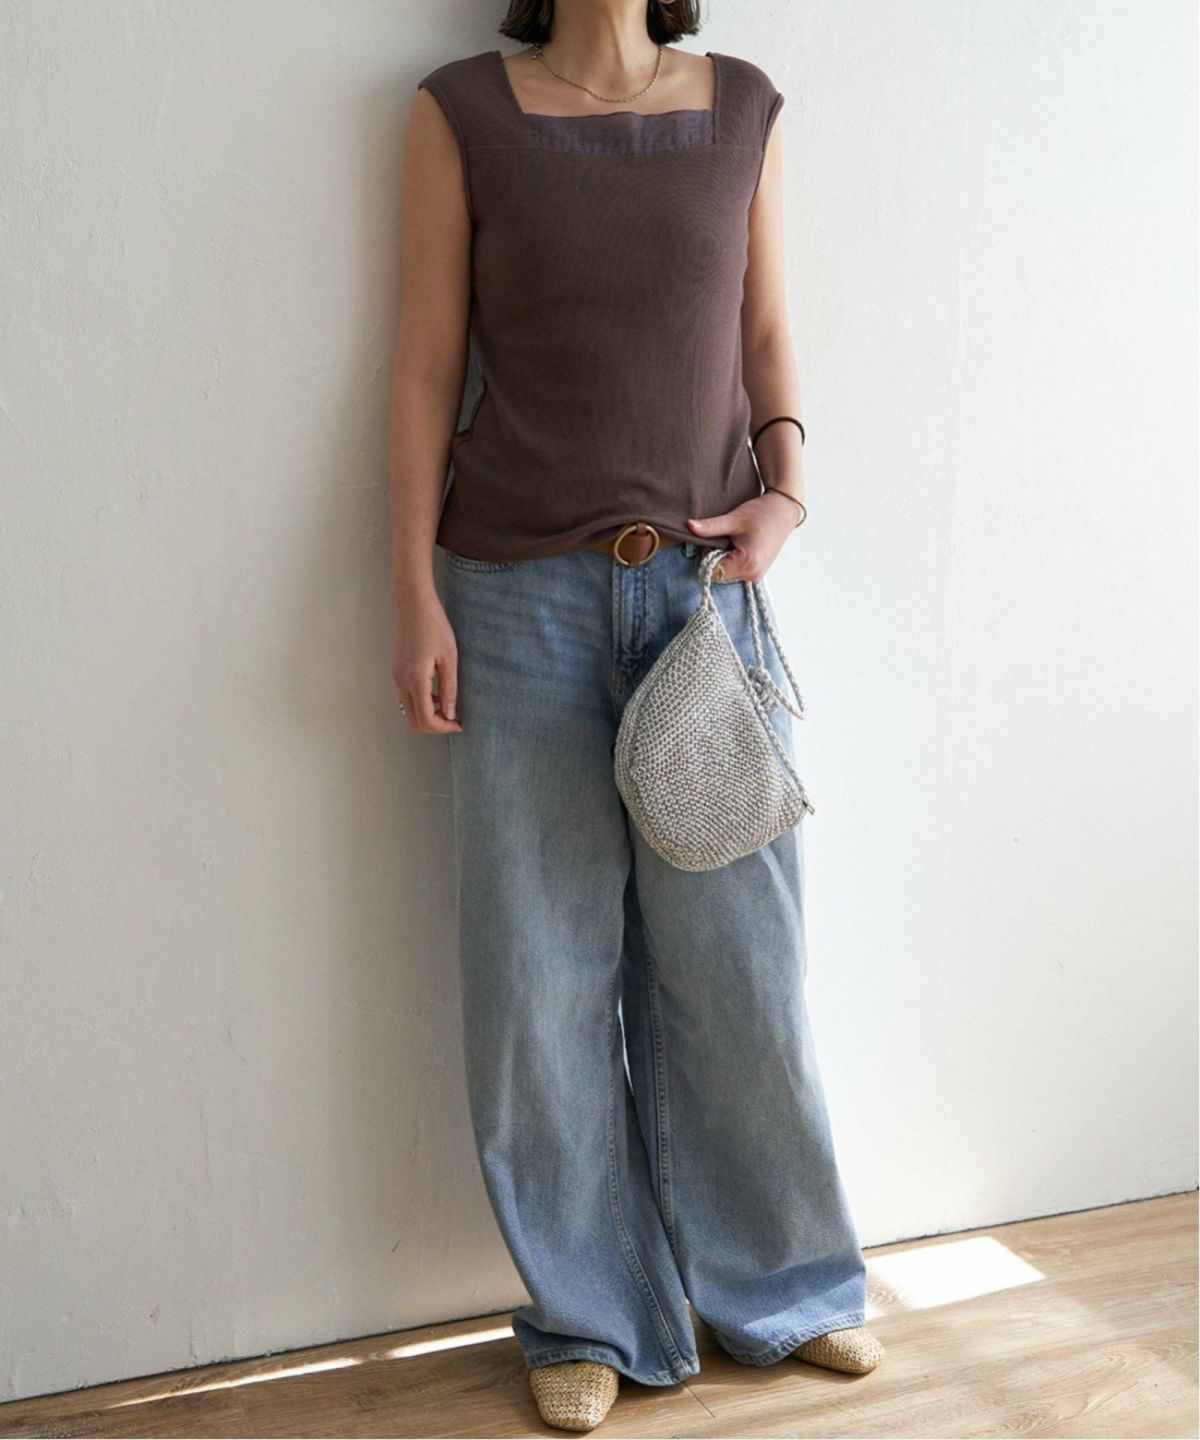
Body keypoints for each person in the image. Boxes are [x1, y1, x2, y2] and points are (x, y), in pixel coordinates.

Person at [388, 1, 883, 1430]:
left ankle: (782, 1286)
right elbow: (424, 368)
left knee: (742, 967)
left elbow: (766, 329)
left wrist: (787, 498)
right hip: (515, 600)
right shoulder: (460, 112)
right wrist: (410, 592)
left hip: (703, 599)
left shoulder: (743, 106)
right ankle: (590, 1314)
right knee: (536, 980)